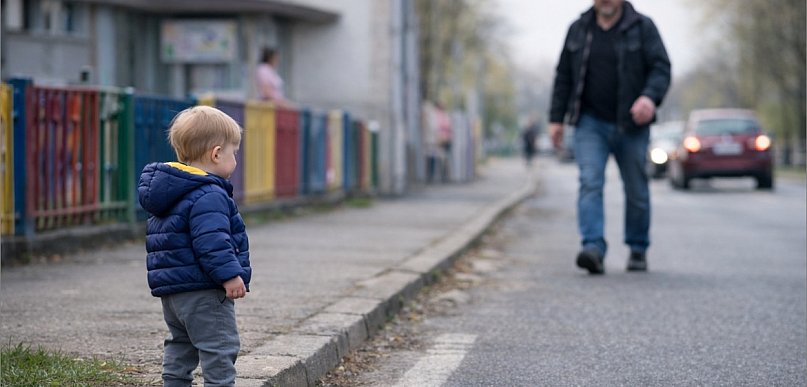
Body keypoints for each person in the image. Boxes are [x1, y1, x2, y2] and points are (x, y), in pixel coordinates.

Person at [548, 0, 670, 274]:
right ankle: (593, 247)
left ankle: (638, 247)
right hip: (589, 122)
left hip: (632, 124)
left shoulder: (643, 27)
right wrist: (556, 119)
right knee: (590, 182)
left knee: (636, 189)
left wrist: (649, 98)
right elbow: (563, 76)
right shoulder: (579, 29)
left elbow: (661, 68)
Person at [138, 105, 252, 386]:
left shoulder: (171, 190)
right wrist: (229, 274)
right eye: (233, 153)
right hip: (204, 291)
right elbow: (212, 241)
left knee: (180, 345)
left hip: (174, 293)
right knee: (219, 348)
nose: (235, 160)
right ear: (216, 154)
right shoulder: (209, 193)